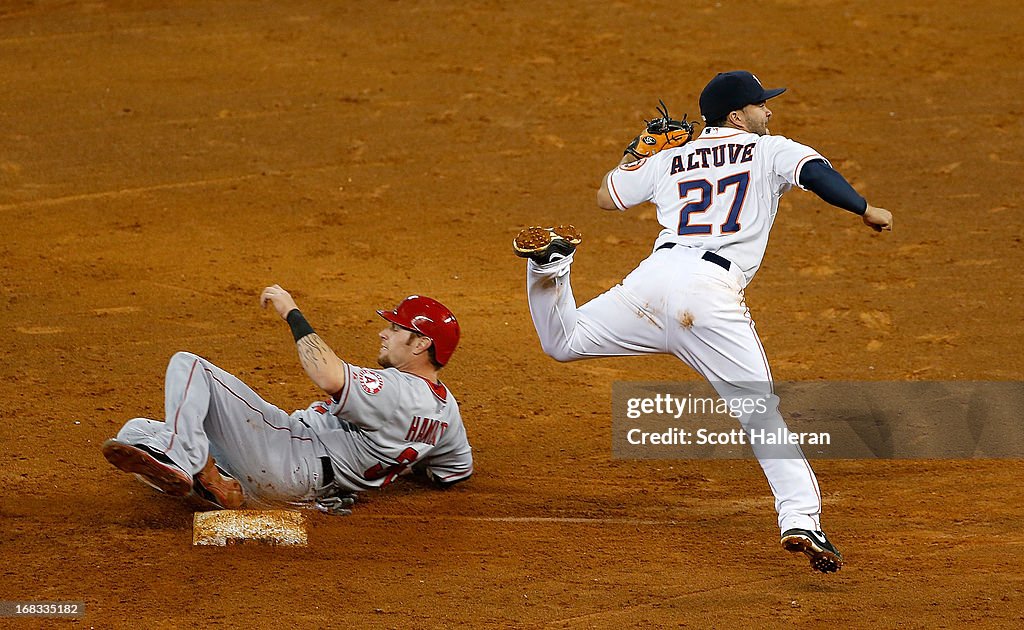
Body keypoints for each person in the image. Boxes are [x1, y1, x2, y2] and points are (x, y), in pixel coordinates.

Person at [513, 71, 893, 573]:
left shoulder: (670, 158)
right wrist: (867, 210)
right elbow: (818, 174)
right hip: (709, 296)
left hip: (652, 282)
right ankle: (801, 517)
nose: (769, 113)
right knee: (759, 411)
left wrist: (639, 154)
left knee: (565, 341)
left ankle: (550, 266)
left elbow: (608, 196)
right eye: (761, 105)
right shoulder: (771, 149)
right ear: (738, 116)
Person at [101, 285, 473, 514]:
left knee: (190, 365)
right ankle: (216, 480)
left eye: (396, 329)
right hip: (309, 480)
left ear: (422, 344)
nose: (384, 333)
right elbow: (451, 474)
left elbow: (328, 374)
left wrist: (291, 312)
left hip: (291, 455)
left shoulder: (396, 390)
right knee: (135, 432)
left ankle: (185, 460)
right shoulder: (446, 412)